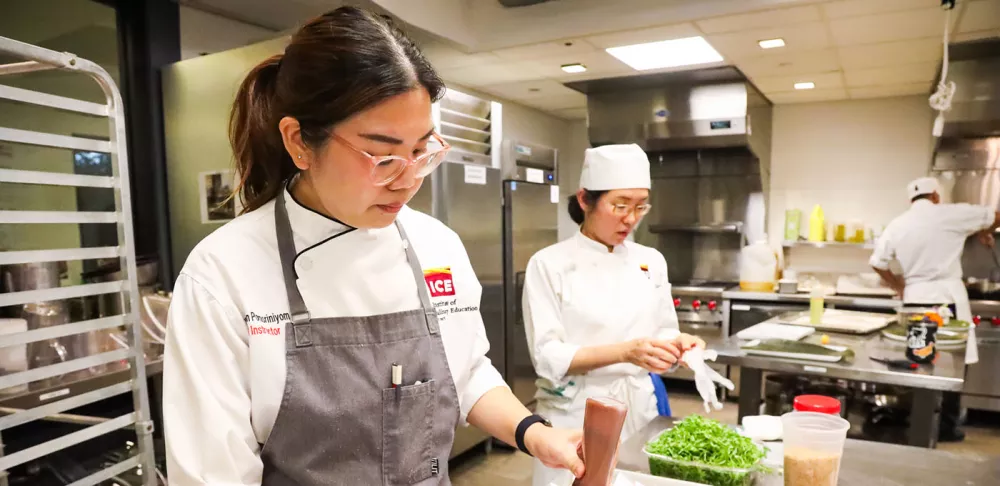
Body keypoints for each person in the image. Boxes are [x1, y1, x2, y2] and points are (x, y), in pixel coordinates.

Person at [162, 7, 584, 484]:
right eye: (383, 156)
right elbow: (210, 474)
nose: (407, 182)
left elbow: (465, 371)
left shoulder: (435, 244)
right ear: (299, 141)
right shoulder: (223, 273)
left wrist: (533, 432)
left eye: (421, 150)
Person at [522, 144, 706, 486]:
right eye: (620, 205)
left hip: (640, 411)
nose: (631, 218)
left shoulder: (651, 260)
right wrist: (625, 352)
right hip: (575, 415)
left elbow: (664, 332)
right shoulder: (549, 264)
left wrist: (678, 347)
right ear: (584, 199)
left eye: (640, 207)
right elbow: (547, 357)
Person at [870, 176, 1000, 442]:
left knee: (917, 359)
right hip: (946, 297)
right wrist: (982, 230)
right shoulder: (952, 214)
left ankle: (915, 419)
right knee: (952, 361)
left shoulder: (898, 224)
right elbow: (995, 215)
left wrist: (899, 286)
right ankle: (947, 427)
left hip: (916, 297)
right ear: (936, 196)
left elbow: (877, 262)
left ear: (911, 200)